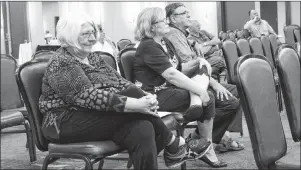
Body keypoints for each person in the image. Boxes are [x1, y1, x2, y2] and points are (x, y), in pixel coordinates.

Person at [38, 12, 211, 170]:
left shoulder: (92, 57)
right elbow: (87, 96)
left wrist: (145, 97)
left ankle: (174, 148)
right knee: (137, 114)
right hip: (62, 121)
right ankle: (175, 145)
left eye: (93, 33)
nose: (92, 38)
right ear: (69, 37)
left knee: (142, 128)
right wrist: (137, 104)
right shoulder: (62, 62)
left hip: (94, 114)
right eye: (86, 34)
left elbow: (120, 82)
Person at [133, 7, 227, 168]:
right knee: (208, 97)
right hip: (153, 94)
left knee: (204, 79)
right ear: (152, 26)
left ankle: (196, 107)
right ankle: (207, 149)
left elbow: (178, 68)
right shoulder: (148, 46)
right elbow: (171, 75)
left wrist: (200, 62)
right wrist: (198, 90)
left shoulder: (164, 42)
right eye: (163, 20)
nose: (166, 21)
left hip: (167, 89)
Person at [164, 2, 244, 160]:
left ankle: (207, 137)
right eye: (184, 13)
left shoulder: (183, 34)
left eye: (188, 12)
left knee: (235, 90)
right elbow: (192, 66)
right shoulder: (173, 33)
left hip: (197, 77)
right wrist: (213, 82)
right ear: (173, 18)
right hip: (187, 83)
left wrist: (196, 47)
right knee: (230, 101)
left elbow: (202, 59)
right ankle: (209, 140)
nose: (189, 15)